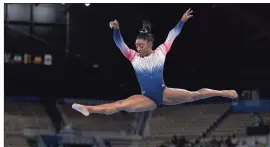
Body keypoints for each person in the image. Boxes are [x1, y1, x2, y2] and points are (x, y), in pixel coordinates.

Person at [72, 9, 238, 116]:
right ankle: (88, 109)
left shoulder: (161, 52)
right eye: (136, 45)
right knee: (121, 104)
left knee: (195, 95)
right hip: (147, 98)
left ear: (150, 44)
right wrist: (116, 30)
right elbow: (119, 43)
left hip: (164, 92)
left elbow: (173, 34)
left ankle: (224, 92)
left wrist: (182, 21)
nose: (137, 48)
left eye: (141, 45)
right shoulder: (133, 57)